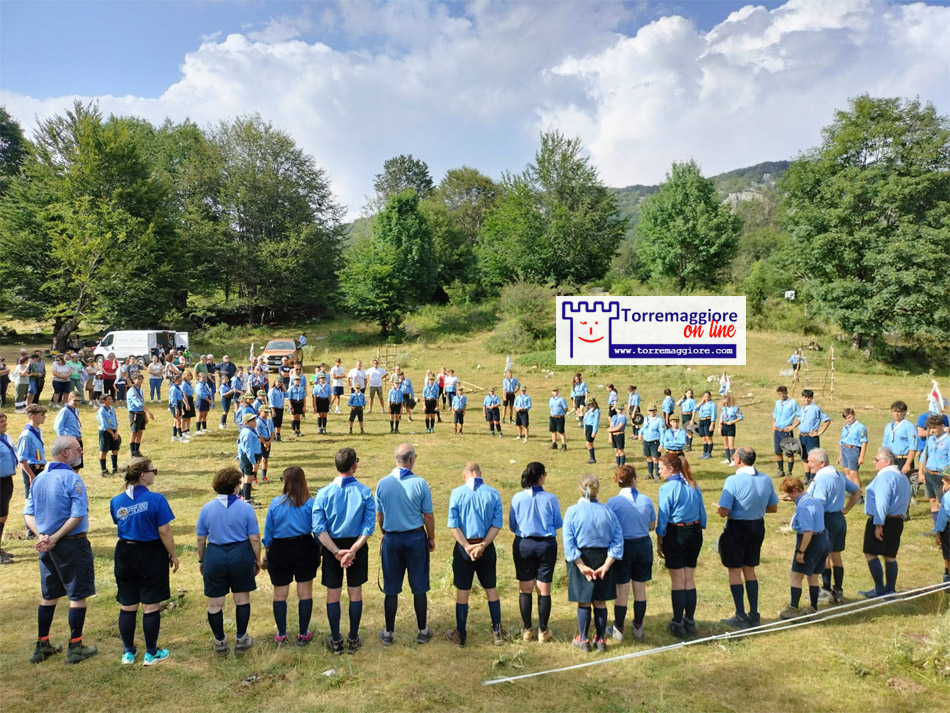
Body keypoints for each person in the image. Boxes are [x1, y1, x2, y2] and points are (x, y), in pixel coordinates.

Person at [24, 435, 98, 663]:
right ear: (65, 452)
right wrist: (55, 537)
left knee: (49, 595)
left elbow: (28, 513)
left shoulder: (39, 479)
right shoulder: (72, 478)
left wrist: (42, 537)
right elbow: (78, 514)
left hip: (46, 547)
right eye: (78, 449)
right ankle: (75, 647)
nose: (81, 452)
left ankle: (42, 644)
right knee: (78, 595)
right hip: (72, 544)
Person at [110, 457, 178, 665]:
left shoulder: (116, 501)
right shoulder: (156, 499)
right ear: (143, 475)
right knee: (150, 604)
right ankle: (151, 653)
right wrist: (173, 554)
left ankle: (128, 653)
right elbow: (164, 531)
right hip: (150, 553)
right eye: (153, 471)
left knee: (128, 604)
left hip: (124, 553)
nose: (154, 474)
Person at [312, 447, 376, 654]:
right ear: (354, 466)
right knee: (355, 591)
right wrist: (353, 550)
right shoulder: (365, 492)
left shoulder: (323, 493)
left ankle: (336, 639)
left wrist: (336, 551)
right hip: (357, 545)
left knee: (333, 593)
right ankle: (353, 637)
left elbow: (319, 529)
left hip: (332, 546)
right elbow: (368, 527)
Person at [196, 466, 261, 656]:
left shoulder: (207, 508)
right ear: (235, 486)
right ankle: (241, 638)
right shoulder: (245, 508)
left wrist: (202, 559)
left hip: (215, 555)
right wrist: (257, 559)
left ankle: (220, 641)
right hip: (240, 554)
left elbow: (201, 539)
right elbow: (254, 538)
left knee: (215, 603)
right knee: (242, 599)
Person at [375, 443, 435, 646]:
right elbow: (428, 516)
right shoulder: (420, 483)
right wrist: (431, 537)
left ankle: (389, 632)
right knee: (419, 586)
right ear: (411, 460)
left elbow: (380, 514)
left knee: (391, 588)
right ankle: (422, 630)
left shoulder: (383, 483)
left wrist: (384, 532)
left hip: (392, 539)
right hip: (415, 538)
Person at [716, 447, 780, 628]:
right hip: (757, 525)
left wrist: (720, 509)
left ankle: (740, 614)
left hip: (737, 527)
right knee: (750, 569)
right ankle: (754, 613)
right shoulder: (765, 479)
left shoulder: (733, 480)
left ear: (738, 460)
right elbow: (773, 507)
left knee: (734, 570)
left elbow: (724, 511)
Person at [444, 462, 505, 647]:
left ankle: (461, 634)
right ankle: (497, 631)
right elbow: (497, 524)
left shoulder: (457, 493)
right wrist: (483, 545)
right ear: (480, 473)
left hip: (464, 549)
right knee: (491, 588)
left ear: (464, 475)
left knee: (463, 591)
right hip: (486, 548)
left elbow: (453, 524)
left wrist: (466, 546)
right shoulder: (493, 493)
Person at [563, 474, 623, 653]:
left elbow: (568, 542)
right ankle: (601, 639)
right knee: (600, 601)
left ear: (579, 489)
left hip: (582, 558)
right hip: (603, 558)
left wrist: (581, 566)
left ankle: (583, 639)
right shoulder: (608, 512)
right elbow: (617, 540)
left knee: (584, 601)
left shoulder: (572, 511)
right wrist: (607, 564)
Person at [262, 466, 319, 647]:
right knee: (305, 592)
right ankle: (303, 633)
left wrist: (266, 553)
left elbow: (268, 532)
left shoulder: (275, 503)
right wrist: (318, 547)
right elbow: (318, 529)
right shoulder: (311, 503)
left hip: (279, 549)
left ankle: (282, 634)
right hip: (304, 546)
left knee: (280, 594)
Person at [509, 461, 562, 642]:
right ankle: (543, 631)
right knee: (544, 589)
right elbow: (557, 523)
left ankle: (527, 629)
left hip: (524, 544)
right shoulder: (551, 498)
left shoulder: (517, 498)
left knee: (525, 589)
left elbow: (513, 524)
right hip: (546, 545)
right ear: (541, 477)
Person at [655, 452, 706, 639]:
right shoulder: (693, 484)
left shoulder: (668, 488)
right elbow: (702, 511)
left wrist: (660, 537)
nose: (659, 471)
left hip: (676, 533)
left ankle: (677, 622)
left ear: (670, 469)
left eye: (661, 468)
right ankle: (689, 621)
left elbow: (663, 515)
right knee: (689, 579)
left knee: (678, 580)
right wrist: (700, 526)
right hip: (695, 532)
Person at [605, 465, 654, 643]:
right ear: (634, 479)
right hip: (643, 545)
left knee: (622, 589)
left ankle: (618, 628)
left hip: (623, 546)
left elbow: (608, 527)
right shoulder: (646, 500)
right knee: (640, 588)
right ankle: (638, 626)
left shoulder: (613, 503)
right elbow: (652, 525)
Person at [859, 447, 912, 598]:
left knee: (870, 552)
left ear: (887, 462)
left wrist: (878, 524)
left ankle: (879, 589)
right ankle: (890, 589)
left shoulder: (884, 477)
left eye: (876, 460)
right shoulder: (902, 477)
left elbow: (882, 502)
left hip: (883, 520)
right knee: (890, 555)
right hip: (897, 520)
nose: (874, 462)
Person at [777, 475, 830, 619]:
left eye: (788, 494)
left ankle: (793, 608)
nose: (788, 497)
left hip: (810, 543)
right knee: (813, 577)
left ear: (795, 490)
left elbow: (808, 532)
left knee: (796, 576)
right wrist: (791, 498)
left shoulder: (803, 508)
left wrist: (801, 551)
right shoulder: (814, 500)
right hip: (823, 539)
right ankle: (813, 608)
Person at [881, 401, 918, 518]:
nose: (896, 414)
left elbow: (913, 447)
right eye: (894, 411)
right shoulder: (888, 426)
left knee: (903, 486)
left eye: (899, 412)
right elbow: (885, 444)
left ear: (904, 412)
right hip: (890, 459)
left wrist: (907, 463)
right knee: (890, 484)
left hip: (903, 459)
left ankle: (904, 512)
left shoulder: (909, 426)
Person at [917, 414, 950, 530]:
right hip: (928, 474)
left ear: (942, 426)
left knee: (942, 503)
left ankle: (943, 530)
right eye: (930, 428)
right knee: (932, 501)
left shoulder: (948, 440)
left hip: (941, 476)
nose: (932, 430)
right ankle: (936, 528)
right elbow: (924, 456)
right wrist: (921, 472)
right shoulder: (930, 439)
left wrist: (947, 481)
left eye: (935, 428)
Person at [18, 404, 48, 516]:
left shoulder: (37, 431)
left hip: (39, 467)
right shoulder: (26, 435)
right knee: (30, 498)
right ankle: (29, 523)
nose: (44, 417)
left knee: (40, 497)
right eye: (42, 415)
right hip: (32, 469)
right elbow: (22, 459)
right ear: (33, 417)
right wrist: (31, 475)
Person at [798, 389, 831, 484]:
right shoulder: (802, 408)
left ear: (812, 398)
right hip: (802, 436)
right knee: (805, 457)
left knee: (813, 458)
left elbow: (827, 421)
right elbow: (801, 419)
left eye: (809, 398)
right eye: (805, 397)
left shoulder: (816, 408)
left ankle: (814, 477)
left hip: (811, 437)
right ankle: (807, 477)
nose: (806, 399)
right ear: (802, 398)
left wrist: (819, 432)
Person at [0, 413, 18, 564]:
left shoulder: (5, 437)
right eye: (1, 422)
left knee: (3, 516)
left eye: (5, 421)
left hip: (6, 480)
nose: (4, 424)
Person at [838, 408, 869, 489]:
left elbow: (864, 442)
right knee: (847, 472)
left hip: (853, 450)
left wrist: (861, 456)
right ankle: (852, 490)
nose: (848, 420)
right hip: (844, 449)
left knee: (853, 473)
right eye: (846, 418)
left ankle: (858, 492)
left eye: (849, 417)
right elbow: (842, 441)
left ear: (854, 415)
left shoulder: (861, 427)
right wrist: (840, 455)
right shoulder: (845, 427)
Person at [53, 392, 84, 471]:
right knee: (70, 464)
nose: (77, 403)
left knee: (78, 464)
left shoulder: (76, 410)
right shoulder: (65, 411)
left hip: (77, 439)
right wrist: (65, 439)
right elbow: (58, 426)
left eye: (79, 401)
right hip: (70, 440)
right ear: (69, 399)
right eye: (75, 400)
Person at [126, 373, 153, 458]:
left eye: (141, 379)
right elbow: (138, 403)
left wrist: (145, 415)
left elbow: (142, 402)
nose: (140, 380)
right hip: (135, 413)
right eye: (138, 379)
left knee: (140, 432)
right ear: (134, 380)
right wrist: (148, 412)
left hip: (141, 413)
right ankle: (133, 452)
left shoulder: (140, 390)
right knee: (134, 432)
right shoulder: (132, 391)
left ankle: (137, 450)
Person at [238, 412, 262, 505]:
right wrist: (253, 463)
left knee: (245, 478)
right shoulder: (247, 433)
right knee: (248, 479)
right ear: (247, 423)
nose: (255, 422)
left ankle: (243, 496)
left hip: (250, 457)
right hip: (250, 458)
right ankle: (247, 501)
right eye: (253, 421)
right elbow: (249, 449)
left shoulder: (251, 430)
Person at [96, 394, 121, 477]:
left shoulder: (112, 409)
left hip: (114, 431)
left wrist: (116, 432)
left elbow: (115, 421)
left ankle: (115, 468)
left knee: (115, 449)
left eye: (111, 399)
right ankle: (104, 470)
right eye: (109, 399)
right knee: (104, 451)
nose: (111, 401)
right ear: (104, 401)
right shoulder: (101, 411)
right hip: (105, 432)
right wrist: (112, 434)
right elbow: (105, 424)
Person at [639, 404, 665, 480]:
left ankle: (657, 475)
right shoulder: (646, 419)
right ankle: (650, 474)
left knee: (655, 458)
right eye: (650, 410)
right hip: (646, 441)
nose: (652, 412)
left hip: (655, 441)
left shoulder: (659, 420)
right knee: (648, 457)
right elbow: (643, 427)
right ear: (648, 411)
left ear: (656, 411)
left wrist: (661, 444)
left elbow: (662, 432)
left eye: (653, 410)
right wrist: (640, 433)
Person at [933, 471, 950, 583]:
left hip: (948, 529)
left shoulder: (947, 497)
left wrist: (938, 531)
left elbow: (943, 516)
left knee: (948, 555)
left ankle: (948, 579)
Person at [718, 394, 744, 464]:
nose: (726, 404)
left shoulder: (735, 408)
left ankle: (734, 460)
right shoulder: (723, 408)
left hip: (731, 427)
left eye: (727, 403)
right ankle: (727, 458)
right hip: (724, 426)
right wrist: (719, 427)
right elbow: (721, 418)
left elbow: (741, 417)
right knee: (725, 444)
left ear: (730, 401)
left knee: (731, 445)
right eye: (724, 403)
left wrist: (732, 421)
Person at [696, 390, 718, 460]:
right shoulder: (702, 404)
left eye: (708, 397)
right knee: (704, 437)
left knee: (708, 437)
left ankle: (709, 453)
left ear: (710, 397)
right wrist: (701, 402)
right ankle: (704, 452)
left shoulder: (712, 404)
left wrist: (712, 424)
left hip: (708, 420)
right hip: (701, 420)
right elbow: (695, 408)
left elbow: (713, 414)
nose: (706, 398)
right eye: (705, 396)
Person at [256, 406, 274, 485]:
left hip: (268, 441)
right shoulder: (258, 422)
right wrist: (264, 443)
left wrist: (269, 442)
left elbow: (273, 432)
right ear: (260, 411)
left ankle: (264, 476)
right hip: (261, 442)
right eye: (265, 412)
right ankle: (254, 477)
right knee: (258, 460)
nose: (266, 414)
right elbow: (258, 434)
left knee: (265, 459)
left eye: (267, 412)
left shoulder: (269, 421)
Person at [168, 375, 187, 443]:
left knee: (175, 421)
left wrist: (181, 407)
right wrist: (176, 408)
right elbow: (173, 399)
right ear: (175, 381)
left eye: (181, 380)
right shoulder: (173, 388)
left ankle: (174, 436)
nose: (180, 382)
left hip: (179, 404)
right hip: (175, 405)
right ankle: (181, 437)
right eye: (179, 381)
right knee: (178, 421)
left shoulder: (178, 387)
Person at [549, 387, 569, 451]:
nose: (555, 392)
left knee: (561, 431)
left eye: (556, 391)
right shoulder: (551, 399)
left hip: (559, 417)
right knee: (553, 431)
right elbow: (550, 407)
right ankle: (554, 444)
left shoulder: (561, 399)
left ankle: (564, 445)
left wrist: (562, 414)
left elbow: (566, 408)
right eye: (554, 391)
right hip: (552, 417)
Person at [583, 397, 601, 464]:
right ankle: (592, 458)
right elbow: (585, 420)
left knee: (588, 443)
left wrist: (594, 431)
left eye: (590, 404)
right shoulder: (589, 410)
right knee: (590, 443)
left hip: (591, 427)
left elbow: (596, 422)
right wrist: (584, 428)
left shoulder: (596, 411)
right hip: (587, 427)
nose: (589, 405)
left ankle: (592, 458)